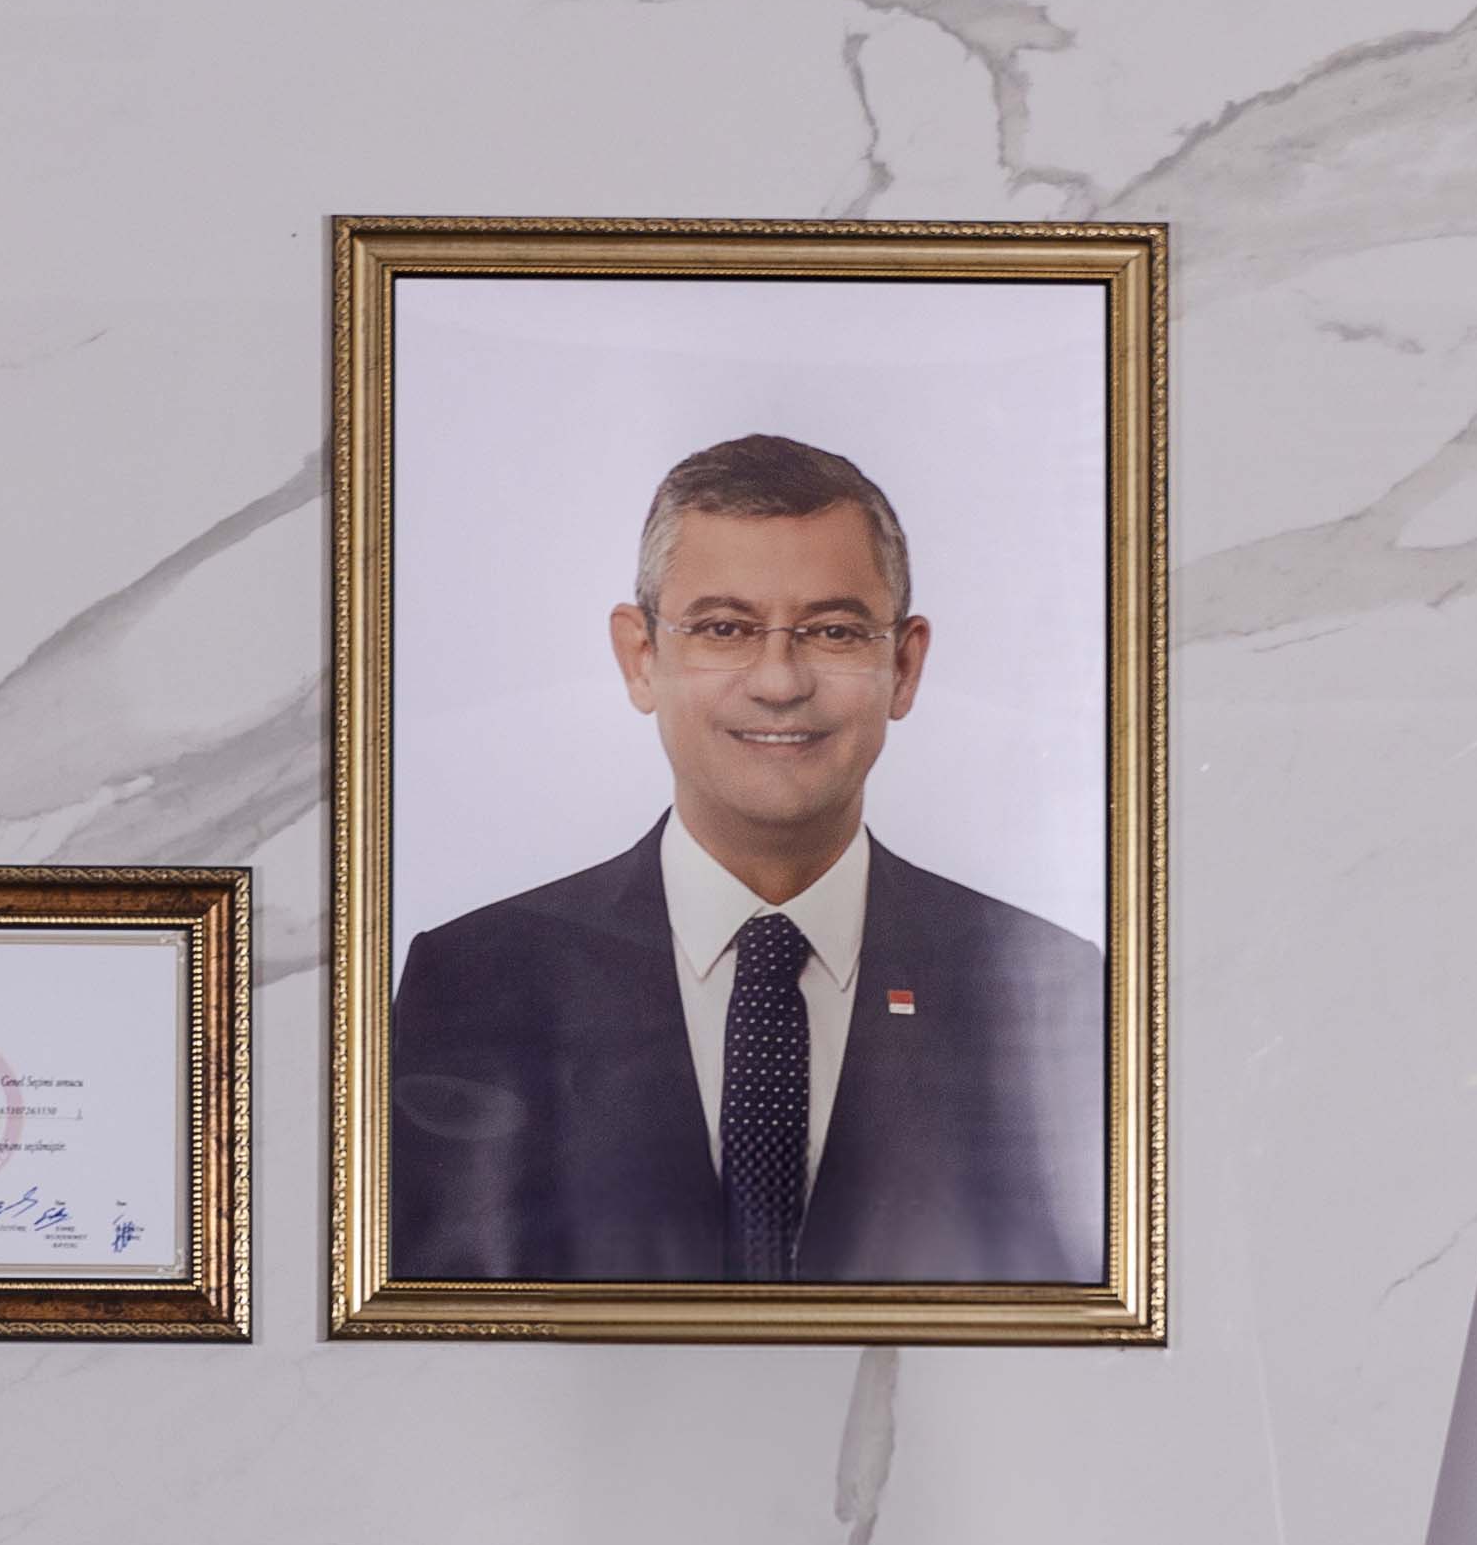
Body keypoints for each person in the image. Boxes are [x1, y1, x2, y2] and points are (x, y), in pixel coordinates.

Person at [386, 429, 1104, 1288]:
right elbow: (421, 1340)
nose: (778, 682)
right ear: (642, 657)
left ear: (904, 667)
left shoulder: (1045, 991)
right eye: (724, 628)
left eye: (833, 631)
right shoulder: (477, 987)